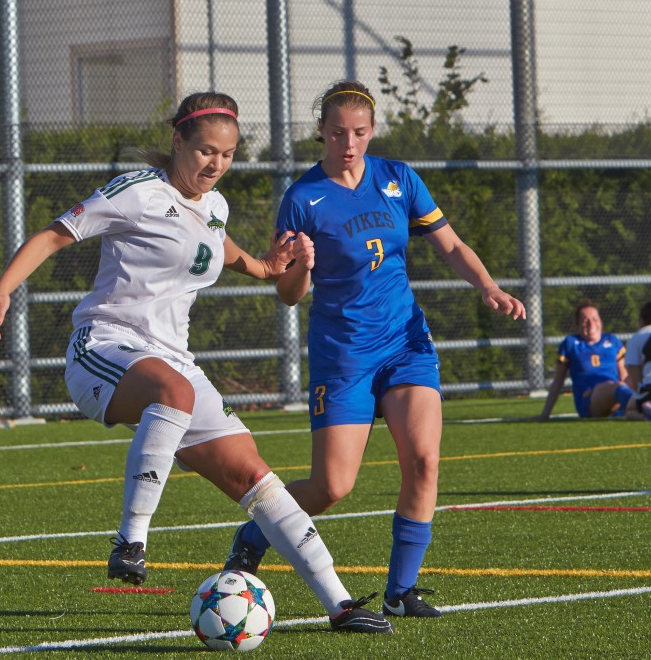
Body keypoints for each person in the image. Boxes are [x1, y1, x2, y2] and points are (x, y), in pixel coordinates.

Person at [0, 91, 393, 633]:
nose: (215, 164)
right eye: (204, 151)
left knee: (256, 476)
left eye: (227, 154)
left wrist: (282, 264)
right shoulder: (138, 191)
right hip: (104, 347)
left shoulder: (214, 208)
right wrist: (2, 289)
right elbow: (56, 235)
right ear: (178, 142)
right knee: (174, 392)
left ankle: (339, 604)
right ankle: (131, 540)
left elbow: (241, 260)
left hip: (174, 364)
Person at [222, 80, 526, 619]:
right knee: (332, 485)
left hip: (405, 343)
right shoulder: (303, 198)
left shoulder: (398, 178)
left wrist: (488, 286)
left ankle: (401, 592)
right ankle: (255, 533)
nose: (348, 142)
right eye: (338, 132)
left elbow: (450, 244)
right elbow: (287, 293)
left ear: (372, 132)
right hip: (343, 354)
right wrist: (303, 268)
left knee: (425, 462)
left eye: (359, 132)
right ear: (321, 131)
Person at [539, 299, 634, 420]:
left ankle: (633, 409)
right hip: (589, 398)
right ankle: (642, 407)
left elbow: (624, 376)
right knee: (618, 387)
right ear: (577, 325)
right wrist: (545, 413)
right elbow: (558, 381)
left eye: (595, 319)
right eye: (585, 320)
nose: (591, 324)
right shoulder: (571, 343)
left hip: (615, 394)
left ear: (601, 322)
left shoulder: (612, 341)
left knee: (625, 385)